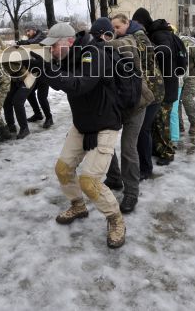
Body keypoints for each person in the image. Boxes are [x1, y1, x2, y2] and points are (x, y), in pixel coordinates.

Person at [32, 22, 126, 248]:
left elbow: (79, 85)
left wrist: (47, 70)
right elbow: (59, 83)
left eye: (54, 46)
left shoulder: (94, 55)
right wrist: (34, 66)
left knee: (89, 181)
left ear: (69, 41)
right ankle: (78, 205)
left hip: (105, 125)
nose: (52, 50)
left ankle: (115, 219)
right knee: (63, 169)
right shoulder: (66, 57)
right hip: (82, 124)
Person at [97, 16, 154, 214]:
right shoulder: (97, 52)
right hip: (116, 106)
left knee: (128, 148)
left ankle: (131, 193)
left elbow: (126, 44)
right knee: (105, 143)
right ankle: (114, 178)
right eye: (107, 31)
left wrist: (101, 44)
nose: (111, 32)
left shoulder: (128, 41)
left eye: (114, 28)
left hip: (137, 103)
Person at [111, 13, 164, 181]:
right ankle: (145, 163)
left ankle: (146, 168)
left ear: (127, 23)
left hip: (152, 90)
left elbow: (144, 58)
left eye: (118, 27)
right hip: (146, 88)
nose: (115, 30)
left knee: (143, 130)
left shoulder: (139, 35)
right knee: (143, 130)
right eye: (113, 28)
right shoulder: (132, 35)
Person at [132, 8, 181, 166]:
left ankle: (167, 153)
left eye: (138, 23)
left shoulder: (159, 34)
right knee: (156, 121)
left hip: (166, 85)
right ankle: (157, 148)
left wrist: (153, 57)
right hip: (166, 83)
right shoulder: (160, 32)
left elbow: (165, 54)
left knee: (161, 121)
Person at [18, 25, 53, 127]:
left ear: (34, 30)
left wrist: (23, 42)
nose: (27, 33)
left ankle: (49, 118)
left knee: (42, 97)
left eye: (28, 31)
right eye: (26, 31)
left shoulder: (41, 36)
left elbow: (33, 42)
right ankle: (37, 114)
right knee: (29, 92)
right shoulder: (31, 38)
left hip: (44, 71)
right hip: (34, 72)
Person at [178, 35, 195, 136]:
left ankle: (194, 123)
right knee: (176, 99)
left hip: (194, 72)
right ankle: (179, 126)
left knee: (186, 98)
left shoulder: (185, 43)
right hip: (180, 73)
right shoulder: (167, 43)